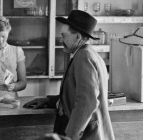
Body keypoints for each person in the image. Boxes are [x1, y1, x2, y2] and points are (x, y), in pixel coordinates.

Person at [23, 10, 115, 140]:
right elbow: (77, 94)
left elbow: (86, 101)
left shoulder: (84, 56)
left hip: (86, 134)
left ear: (77, 37)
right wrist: (49, 101)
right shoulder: (88, 54)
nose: (61, 39)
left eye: (64, 35)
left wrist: (70, 137)